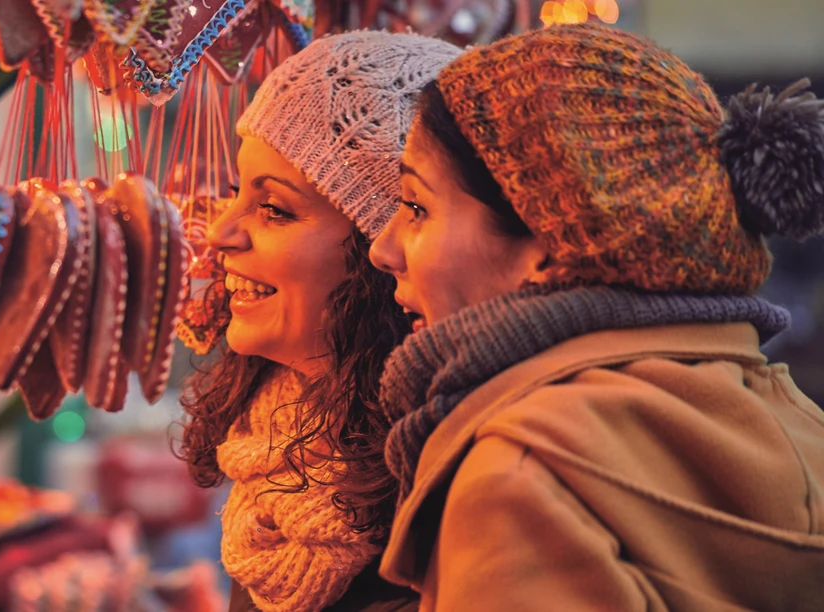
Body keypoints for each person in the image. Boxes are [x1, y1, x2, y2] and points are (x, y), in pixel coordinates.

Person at [367, 22, 824, 610]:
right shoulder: (798, 424)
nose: (382, 249)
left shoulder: (520, 484)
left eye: (415, 207)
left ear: (548, 244)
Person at [175, 31, 461, 611]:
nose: (221, 233)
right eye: (235, 192)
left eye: (274, 209)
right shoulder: (270, 444)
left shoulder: (447, 491)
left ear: (384, 251)